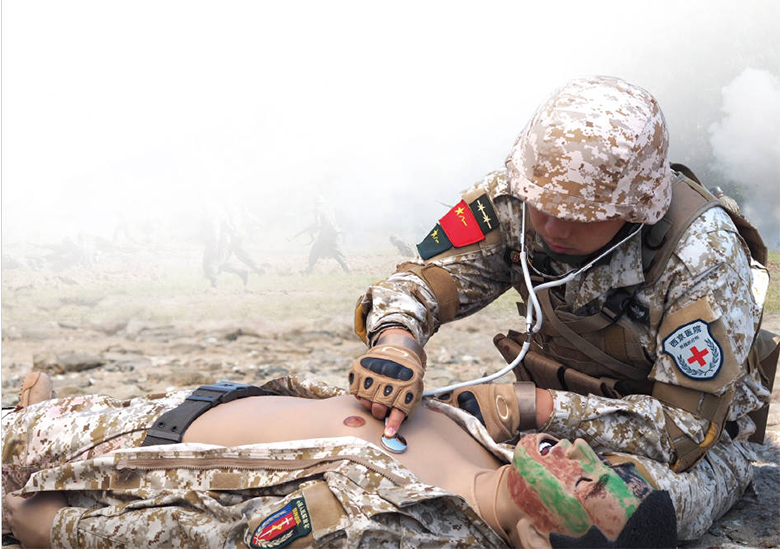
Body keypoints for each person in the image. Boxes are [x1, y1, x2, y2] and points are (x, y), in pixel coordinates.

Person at [348, 76, 777, 540]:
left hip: (682, 448)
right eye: (541, 206)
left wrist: (529, 408)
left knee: (606, 512)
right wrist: (397, 342)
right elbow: (425, 282)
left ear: (637, 206)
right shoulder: (520, 197)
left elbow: (684, 433)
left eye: (578, 215)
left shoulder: (702, 255)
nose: (551, 227)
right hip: (539, 425)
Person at [2, 373, 677, 548]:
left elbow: (217, 537)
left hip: (114, 459)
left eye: (583, 484)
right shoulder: (492, 450)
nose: (576, 455)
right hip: (188, 404)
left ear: (535, 537)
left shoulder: (407, 529)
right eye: (600, 463)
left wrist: (59, 529)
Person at [302, 195, 351, 274]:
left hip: (329, 234)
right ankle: (309, 269)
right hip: (332, 234)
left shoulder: (317, 210)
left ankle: (348, 270)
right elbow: (326, 222)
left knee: (318, 251)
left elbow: (318, 225)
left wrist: (312, 231)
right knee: (318, 250)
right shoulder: (328, 209)